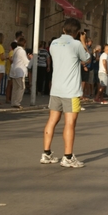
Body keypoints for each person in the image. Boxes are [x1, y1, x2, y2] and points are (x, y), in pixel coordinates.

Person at [41, 18, 90, 168]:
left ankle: (46, 153)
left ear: (63, 29)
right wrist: (83, 41)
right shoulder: (76, 44)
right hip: (71, 90)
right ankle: (68, 157)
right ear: (76, 32)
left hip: (56, 88)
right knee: (70, 123)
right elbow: (87, 58)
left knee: (52, 120)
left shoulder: (54, 43)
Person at [10, 37, 31, 109]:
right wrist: (30, 59)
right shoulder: (22, 51)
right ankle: (17, 102)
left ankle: (13, 102)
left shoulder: (15, 50)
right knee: (21, 87)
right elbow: (26, 62)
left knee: (15, 87)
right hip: (20, 71)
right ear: (24, 43)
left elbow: (13, 59)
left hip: (14, 70)